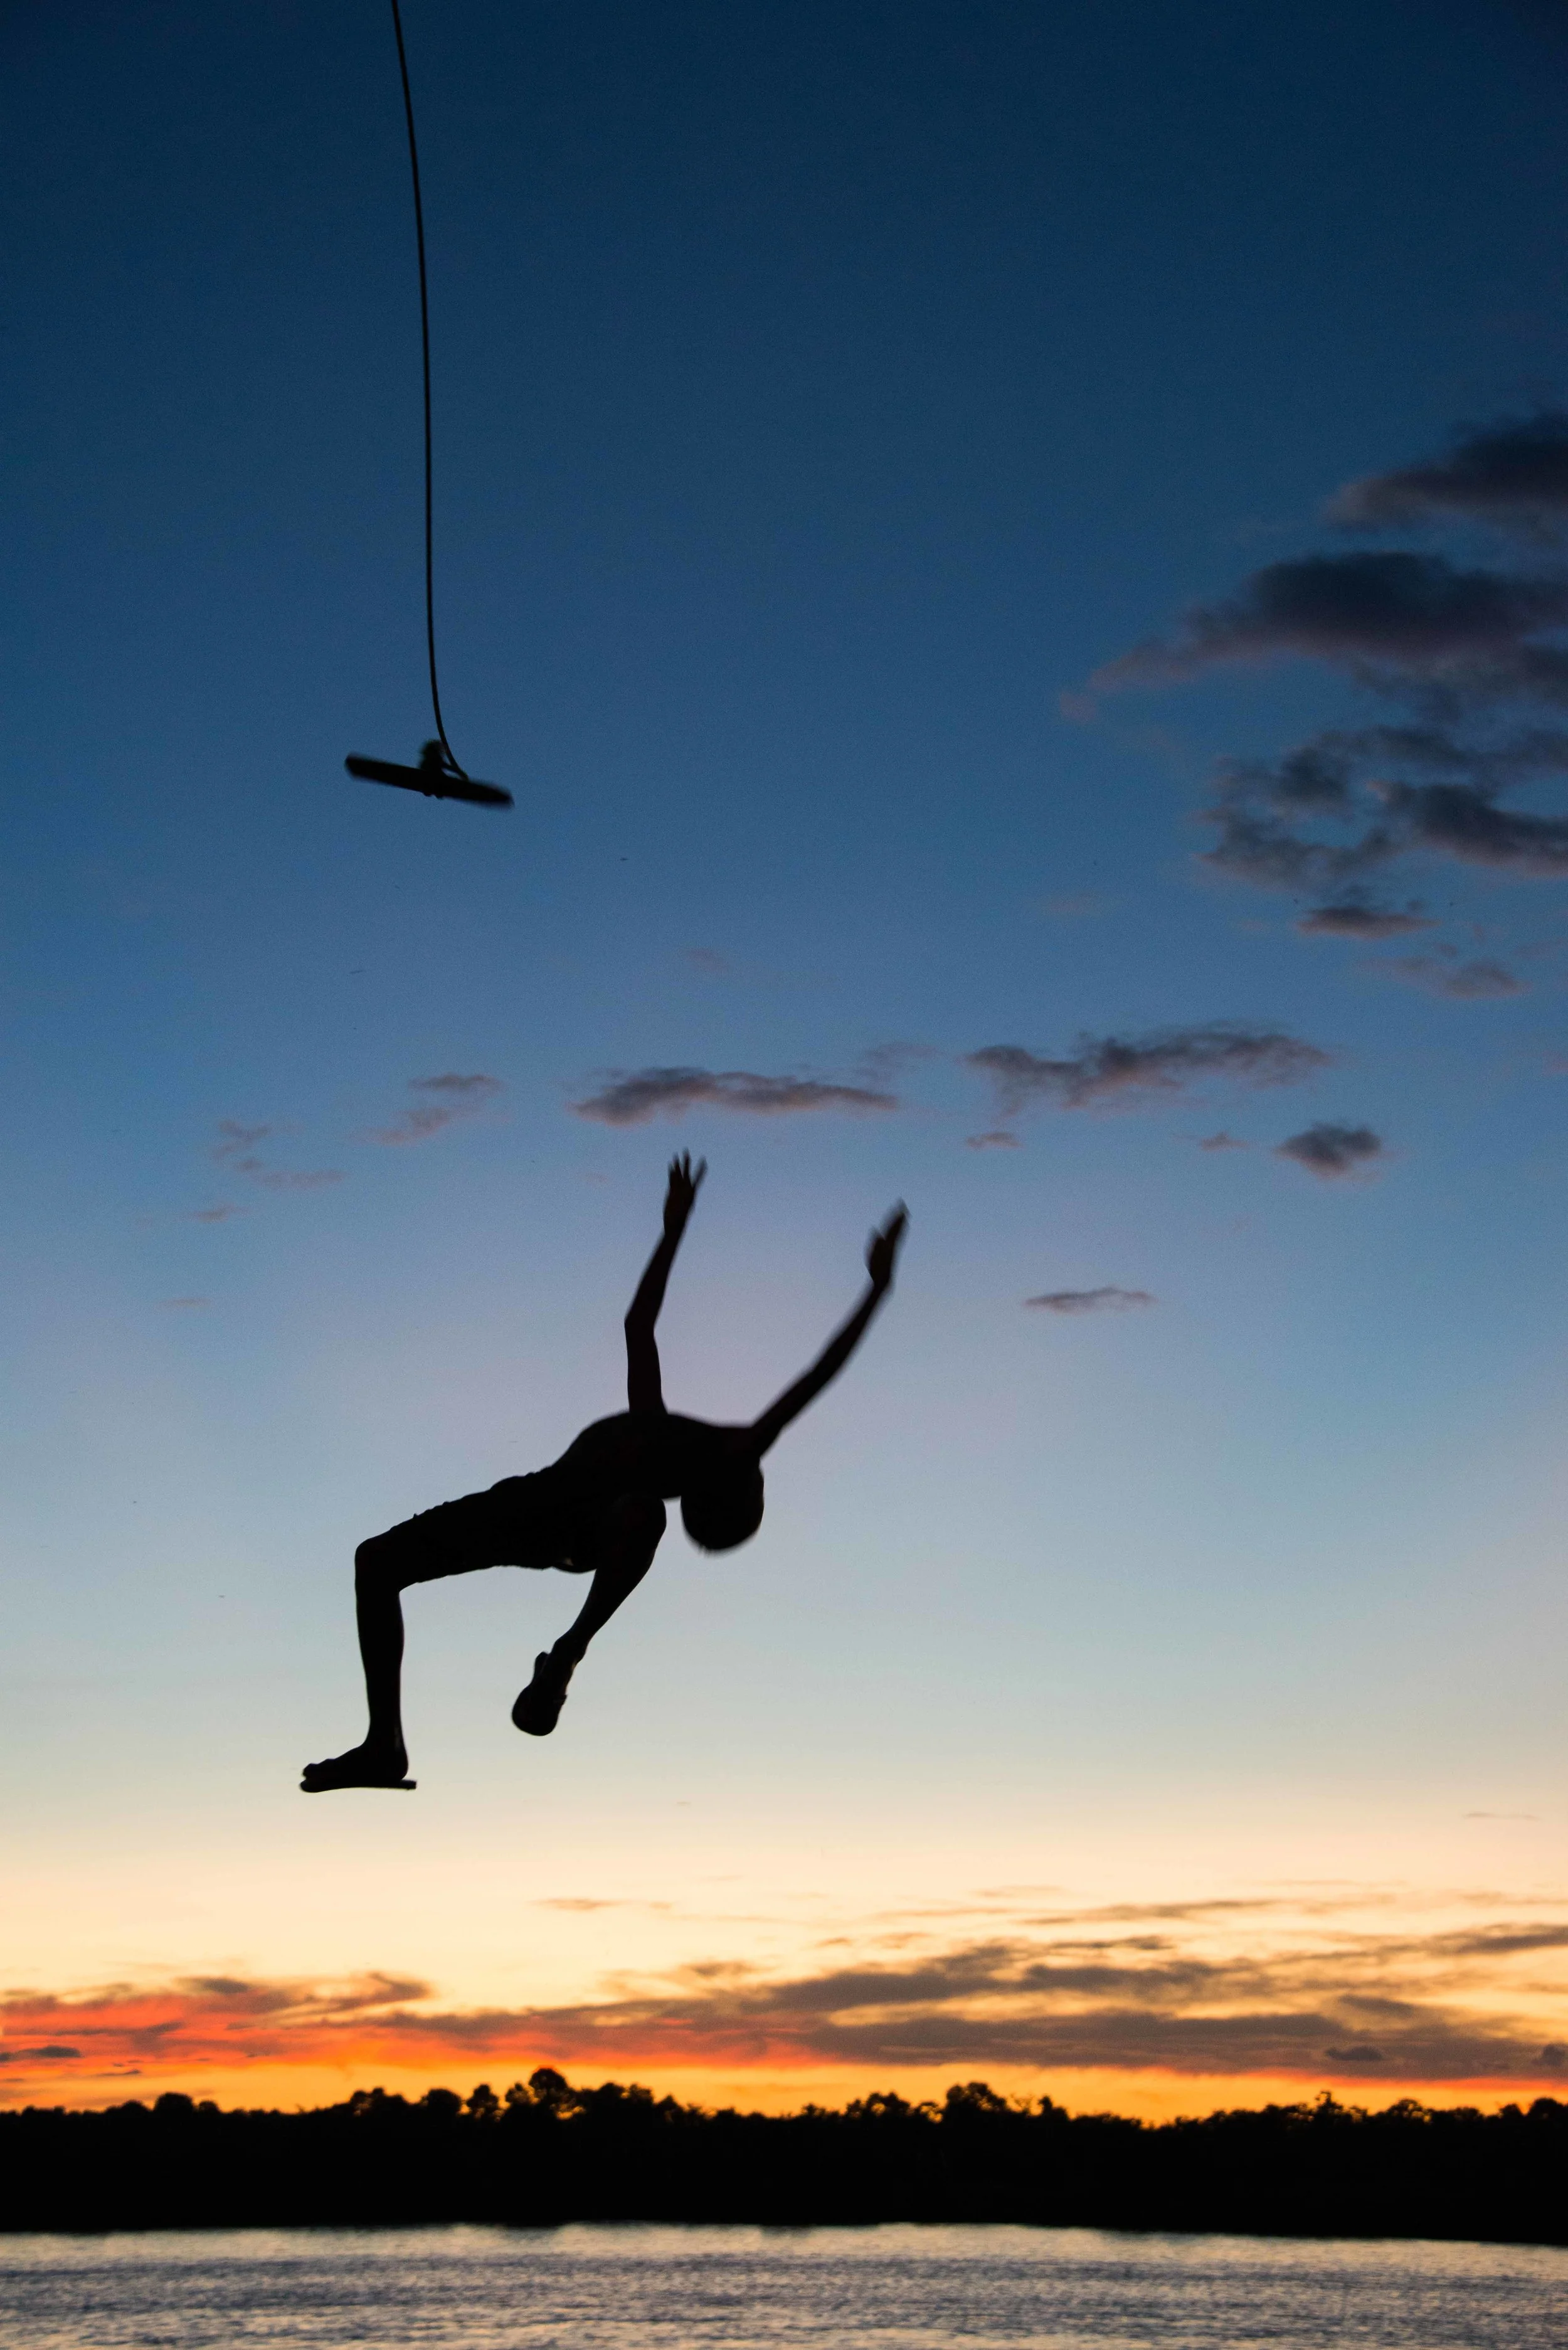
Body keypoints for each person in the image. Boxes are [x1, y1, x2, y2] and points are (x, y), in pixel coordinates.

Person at [301, 1157, 907, 1790]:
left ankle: (569, 1649)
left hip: (579, 1533)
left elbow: (803, 1372)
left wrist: (872, 1291)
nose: (751, 1456)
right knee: (376, 1562)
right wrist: (675, 1231)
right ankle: (384, 1745)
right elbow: (654, 1330)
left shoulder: (683, 1465)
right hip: (528, 1506)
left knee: (643, 1511)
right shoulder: (686, 1438)